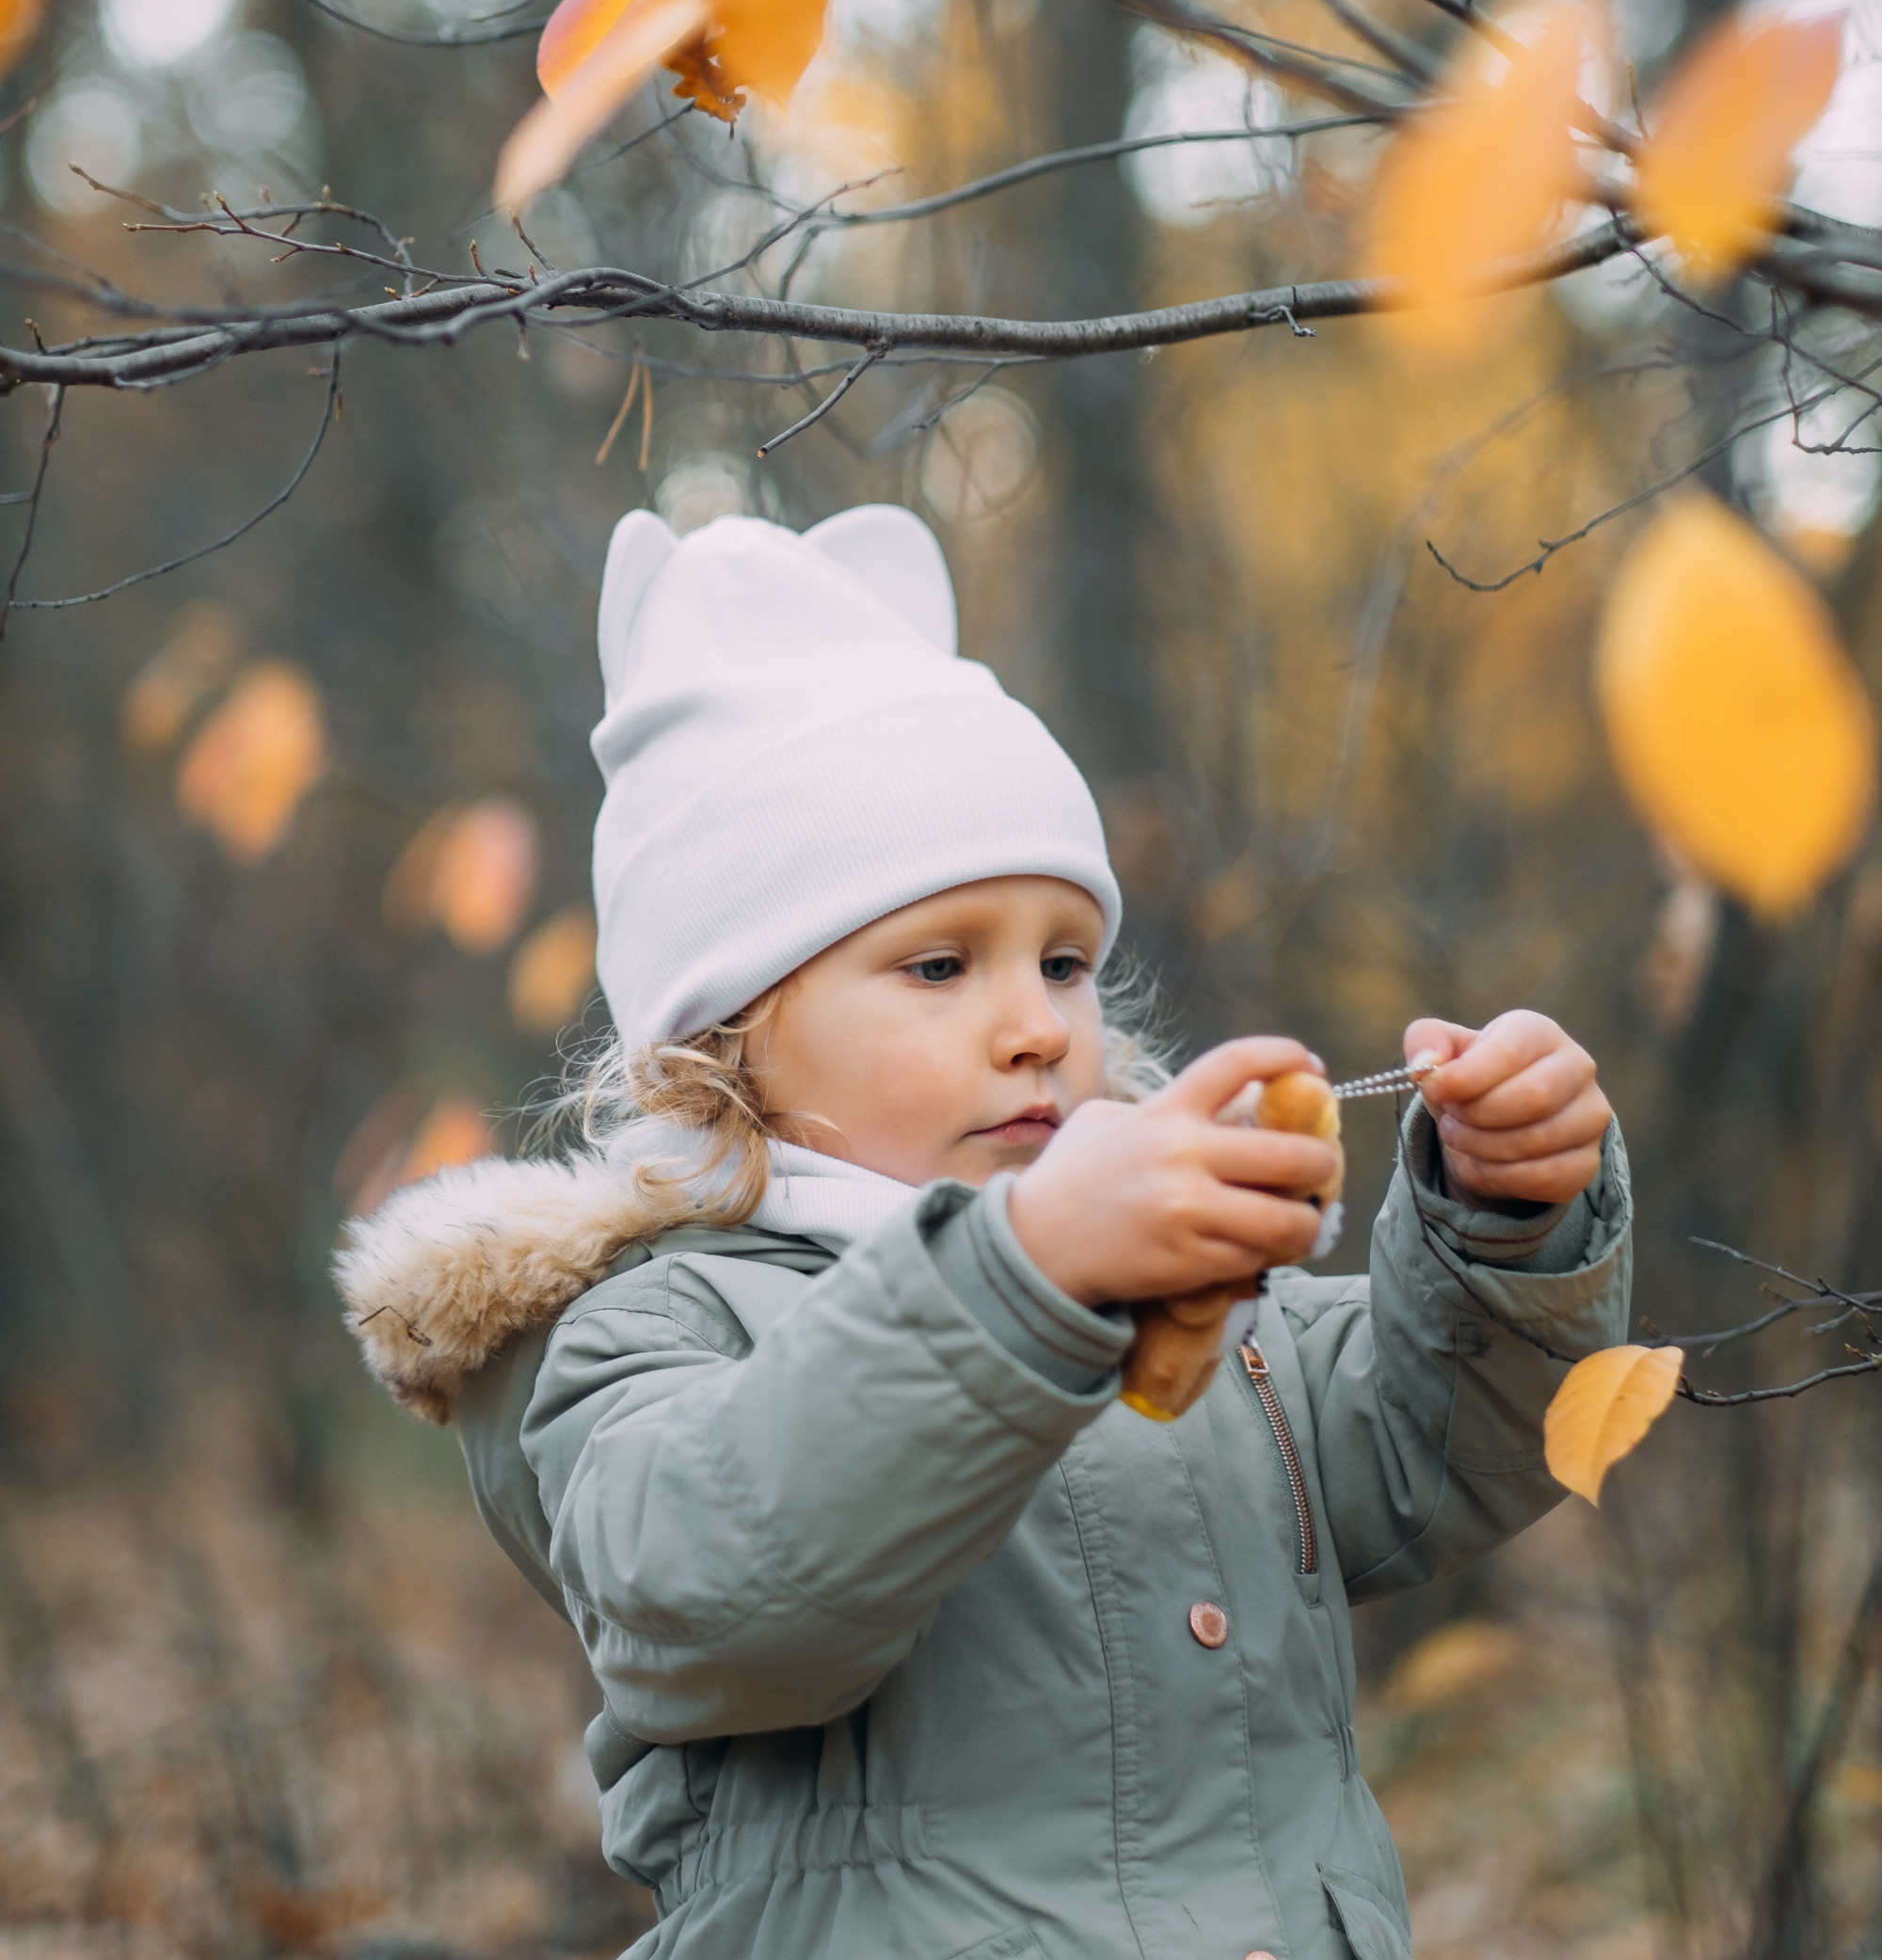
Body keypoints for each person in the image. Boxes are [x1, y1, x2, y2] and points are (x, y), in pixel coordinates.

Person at [340, 503, 1628, 1960]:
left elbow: (1430, 1445)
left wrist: (1511, 1205)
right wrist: (1021, 1284)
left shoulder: (1197, 1317)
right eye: (941, 964)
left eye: (1066, 960)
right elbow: (716, 1595)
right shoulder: (652, 1324)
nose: (1037, 1027)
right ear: (728, 1041)